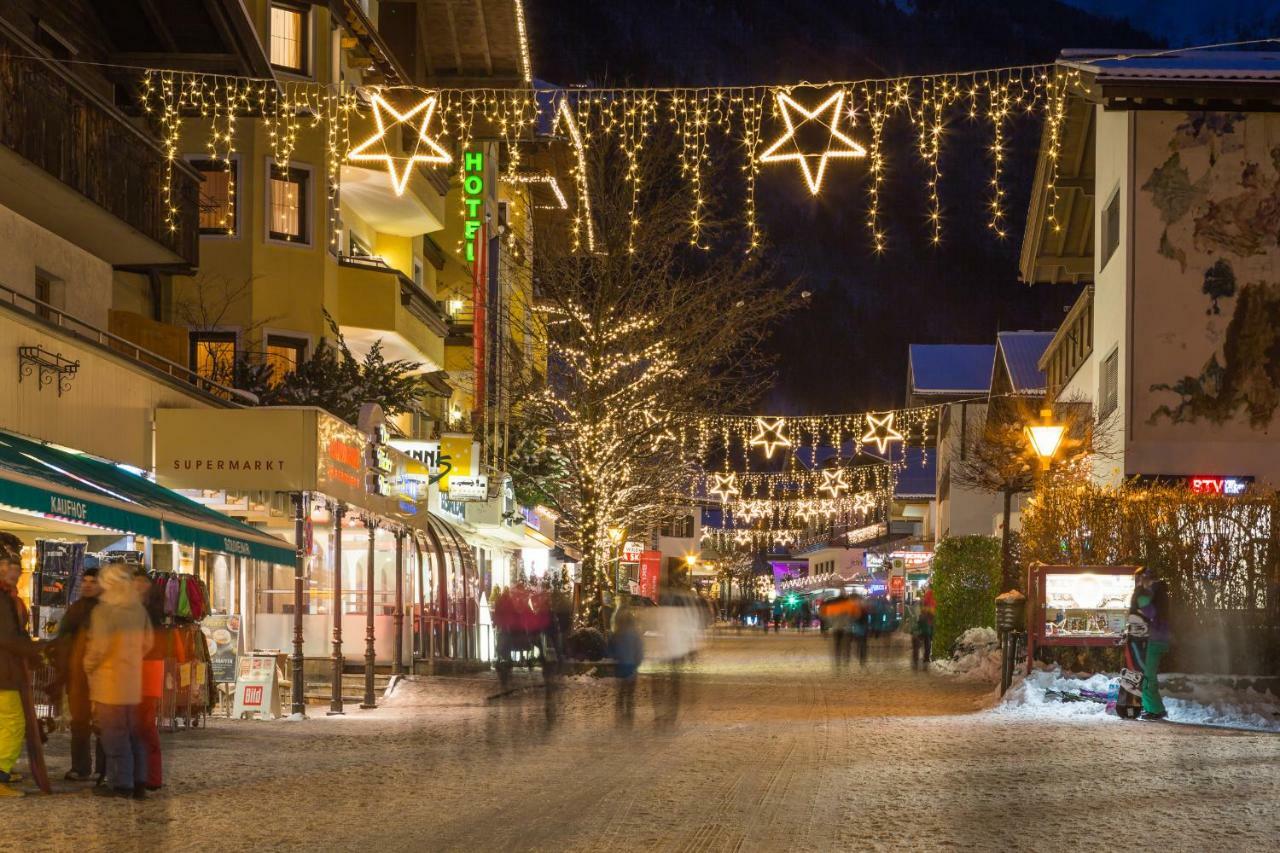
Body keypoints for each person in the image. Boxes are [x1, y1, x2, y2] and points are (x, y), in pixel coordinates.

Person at [84, 564, 153, 799]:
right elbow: (148, 643)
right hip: (133, 682)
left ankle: (121, 784)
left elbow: (99, 647)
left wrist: (88, 665)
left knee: (114, 735)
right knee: (134, 733)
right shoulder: (138, 610)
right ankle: (140, 779)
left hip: (109, 683)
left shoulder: (104, 611)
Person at [0, 532, 40, 797]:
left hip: (8, 669)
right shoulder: (4, 599)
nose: (15, 571)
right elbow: (9, 637)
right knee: (13, 722)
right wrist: (35, 651)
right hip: (5, 671)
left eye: (18, 568)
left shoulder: (9, 597)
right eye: (10, 565)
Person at [52, 565, 100, 782]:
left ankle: (103, 768)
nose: (88, 586)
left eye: (93, 582)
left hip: (99, 676)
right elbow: (63, 638)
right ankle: (80, 767)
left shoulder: (105, 611)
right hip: (77, 675)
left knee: (102, 724)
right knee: (79, 722)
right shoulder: (75, 608)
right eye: (85, 581)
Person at [134, 568, 165, 790]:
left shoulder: (152, 611)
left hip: (148, 669)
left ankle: (152, 776)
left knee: (145, 725)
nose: (138, 587)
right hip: (137, 670)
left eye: (142, 583)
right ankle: (143, 774)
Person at [1131, 573, 1171, 721]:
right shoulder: (1161, 594)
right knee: (1149, 675)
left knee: (1147, 676)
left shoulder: (1155, 594)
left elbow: (1150, 613)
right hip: (1159, 640)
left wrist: (1139, 596)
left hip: (1153, 641)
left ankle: (1155, 709)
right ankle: (1152, 708)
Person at [610, 604, 643, 725]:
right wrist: (638, 662)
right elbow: (639, 650)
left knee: (620, 693)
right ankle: (629, 717)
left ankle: (619, 717)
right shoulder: (635, 634)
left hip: (620, 667)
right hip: (631, 667)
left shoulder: (616, 633)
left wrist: (615, 658)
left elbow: (611, 649)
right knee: (630, 694)